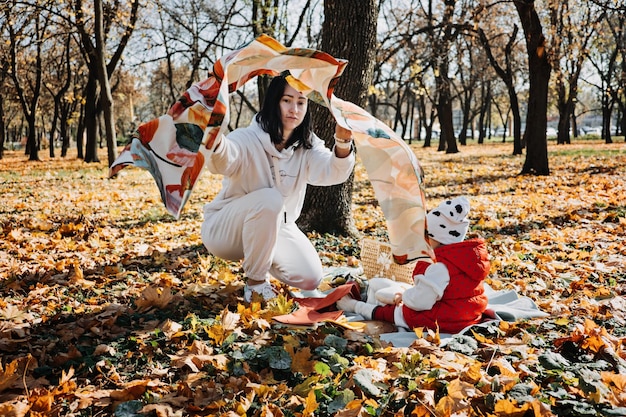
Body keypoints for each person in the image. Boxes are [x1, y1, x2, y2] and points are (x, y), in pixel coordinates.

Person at [201, 75, 356, 302]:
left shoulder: (307, 146)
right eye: (287, 100)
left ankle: (261, 256)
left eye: (301, 102)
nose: (294, 109)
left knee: (310, 278)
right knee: (270, 199)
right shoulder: (247, 138)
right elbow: (223, 160)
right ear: (274, 102)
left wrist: (343, 142)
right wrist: (214, 135)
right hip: (225, 231)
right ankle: (255, 285)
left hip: (277, 227)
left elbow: (333, 171)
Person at [337, 196, 490, 333]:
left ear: (433, 239)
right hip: (465, 315)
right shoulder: (462, 259)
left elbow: (420, 303)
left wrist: (404, 297)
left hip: (442, 321)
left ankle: (355, 306)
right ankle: (381, 295)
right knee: (387, 288)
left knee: (395, 313)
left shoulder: (440, 267)